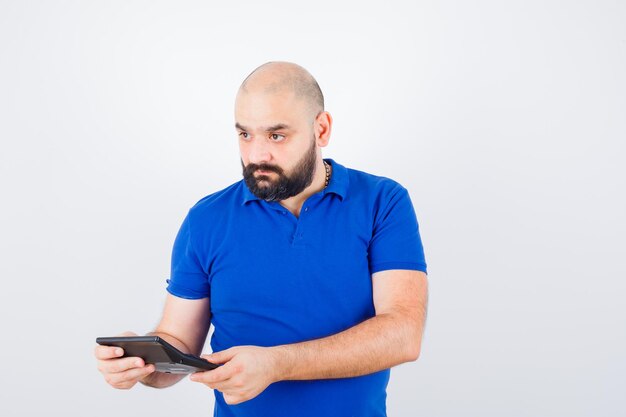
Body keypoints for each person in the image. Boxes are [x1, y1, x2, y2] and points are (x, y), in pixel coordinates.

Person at [95, 61, 429, 417]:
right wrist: (142, 363)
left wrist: (276, 364)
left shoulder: (382, 201)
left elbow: (403, 335)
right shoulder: (206, 219)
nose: (257, 155)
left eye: (276, 136)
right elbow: (180, 342)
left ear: (321, 129)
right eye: (245, 135)